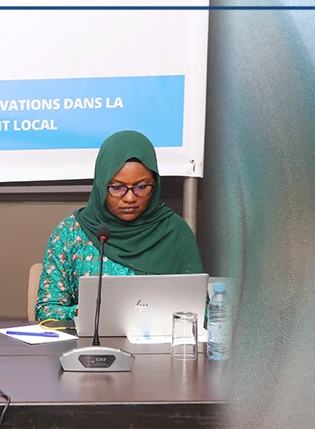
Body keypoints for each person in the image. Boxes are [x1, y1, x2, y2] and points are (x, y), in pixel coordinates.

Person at [35, 130, 203, 321]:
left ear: (155, 184)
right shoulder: (70, 233)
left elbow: (201, 308)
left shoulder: (174, 231)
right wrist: (84, 313)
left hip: (159, 339)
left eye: (141, 187)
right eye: (117, 188)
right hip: (88, 339)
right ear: (101, 184)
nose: (130, 198)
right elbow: (46, 310)